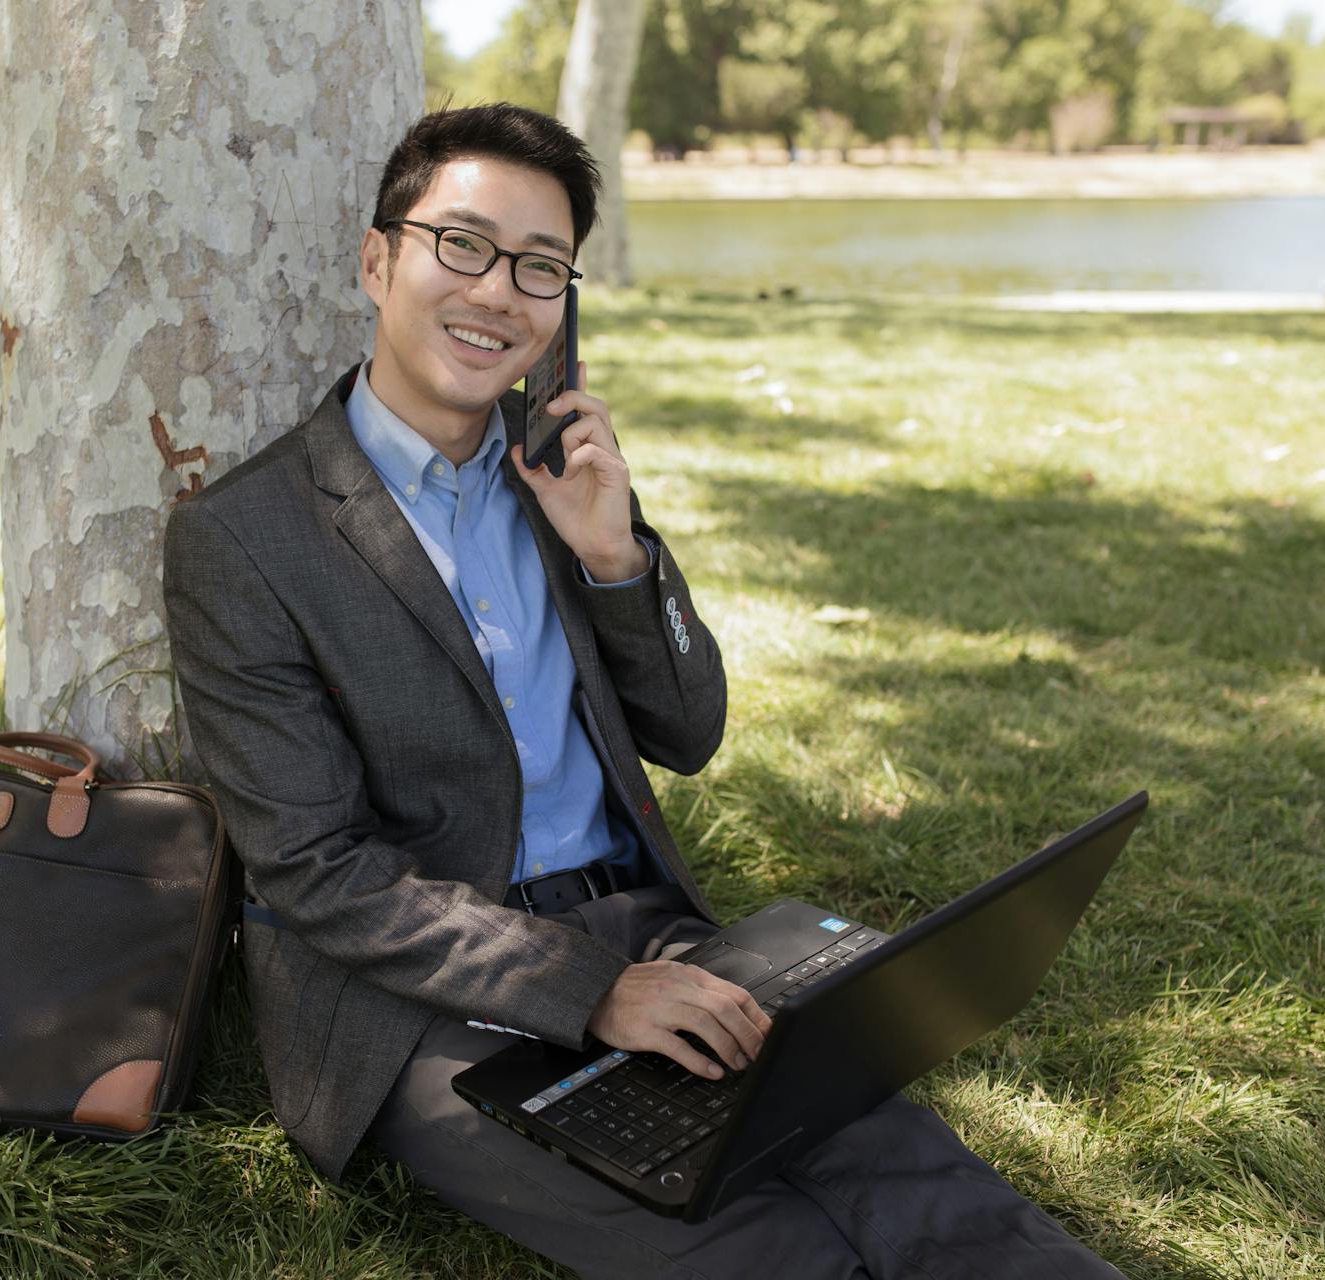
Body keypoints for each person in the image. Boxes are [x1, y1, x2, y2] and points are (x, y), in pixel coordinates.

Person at [161, 104, 1122, 1280]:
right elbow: (316, 870)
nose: (497, 292)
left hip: (641, 920)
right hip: (419, 1004)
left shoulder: (562, 471)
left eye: (540, 266)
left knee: (886, 1149)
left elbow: (689, 727)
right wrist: (594, 989)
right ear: (379, 260)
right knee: (744, 1239)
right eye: (460, 245)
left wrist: (617, 558)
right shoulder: (245, 539)